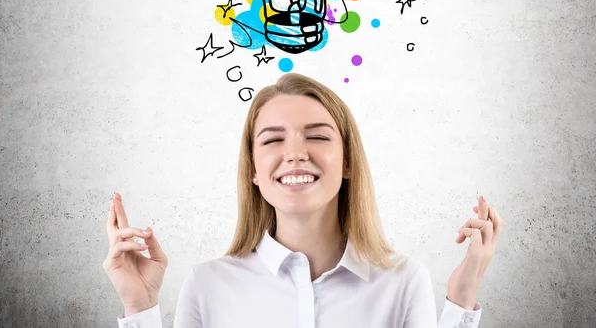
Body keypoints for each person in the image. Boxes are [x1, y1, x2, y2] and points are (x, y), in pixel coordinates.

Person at [103, 73, 504, 327]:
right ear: (253, 171)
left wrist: (462, 297)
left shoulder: (402, 280)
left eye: (317, 135)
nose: (295, 152)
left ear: (347, 162)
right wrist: (140, 306)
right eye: (274, 139)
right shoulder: (208, 285)